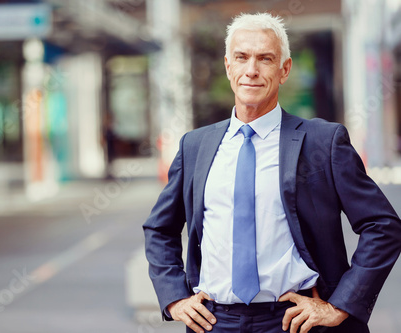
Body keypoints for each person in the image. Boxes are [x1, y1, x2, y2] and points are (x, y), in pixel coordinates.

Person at [143, 12, 401, 333]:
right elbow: (159, 228)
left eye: (265, 58)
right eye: (241, 57)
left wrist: (340, 305)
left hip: (295, 321)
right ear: (228, 66)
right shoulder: (196, 145)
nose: (251, 70)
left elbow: (382, 226)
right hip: (213, 322)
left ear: (284, 70)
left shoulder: (324, 142)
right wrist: (174, 297)